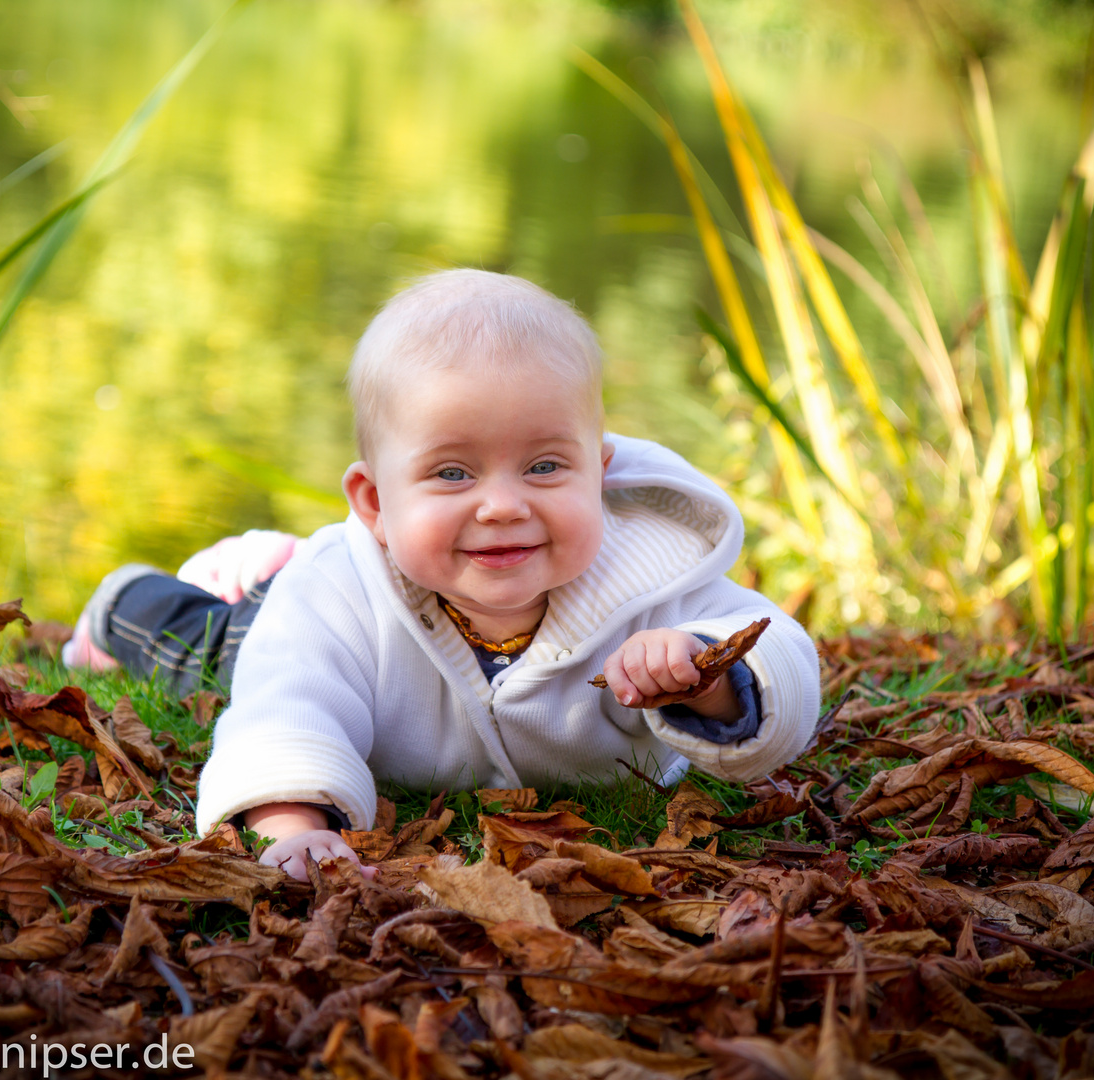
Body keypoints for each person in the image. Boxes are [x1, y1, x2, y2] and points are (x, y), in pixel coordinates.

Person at [66, 270, 821, 881]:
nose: (502, 505)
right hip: (311, 611)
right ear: (374, 502)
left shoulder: (655, 582)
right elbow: (285, 710)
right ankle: (125, 602)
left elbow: (780, 654)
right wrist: (294, 827)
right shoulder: (336, 599)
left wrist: (708, 674)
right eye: (453, 472)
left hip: (369, 570)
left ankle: (280, 553)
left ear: (600, 472)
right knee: (217, 650)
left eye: (546, 466)